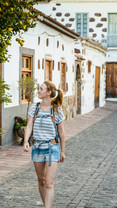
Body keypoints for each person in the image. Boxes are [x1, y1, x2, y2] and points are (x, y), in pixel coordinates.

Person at [23, 80, 66, 208]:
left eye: (41, 89)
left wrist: (62, 151)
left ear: (48, 93)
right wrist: (26, 141)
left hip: (52, 148)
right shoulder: (34, 108)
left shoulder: (56, 110)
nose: (38, 91)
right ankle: (47, 204)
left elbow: (61, 133)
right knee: (41, 181)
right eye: (39, 89)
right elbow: (29, 125)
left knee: (49, 182)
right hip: (37, 148)